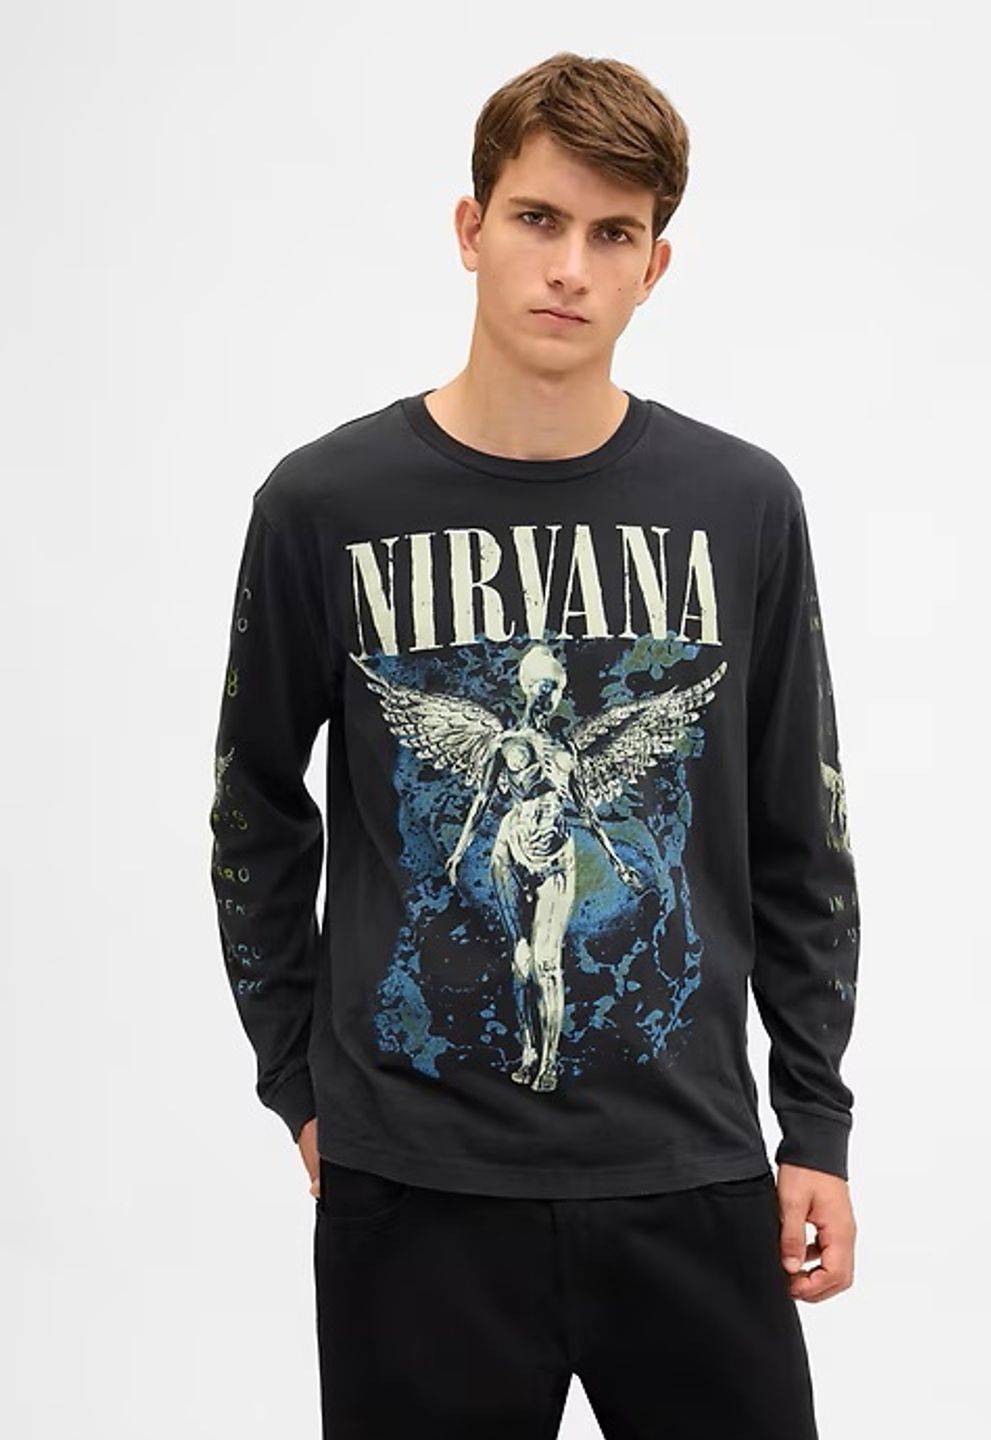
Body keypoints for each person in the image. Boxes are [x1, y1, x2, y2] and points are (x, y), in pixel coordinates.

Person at [209, 50, 860, 1440]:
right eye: (538, 218)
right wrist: (298, 1084)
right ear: (471, 227)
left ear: (655, 266)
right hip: (412, 1185)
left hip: (691, 1168)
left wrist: (814, 1122)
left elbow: (801, 833)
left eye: (613, 234)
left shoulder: (741, 504)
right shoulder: (325, 504)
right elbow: (254, 810)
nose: (570, 267)